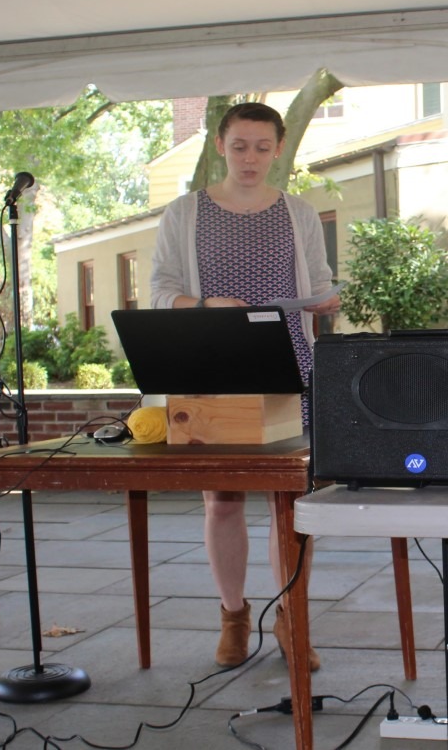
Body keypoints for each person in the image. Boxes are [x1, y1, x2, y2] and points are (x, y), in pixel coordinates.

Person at [150, 102, 338, 671]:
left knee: (294, 503)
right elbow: (160, 291)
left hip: (291, 367)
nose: (250, 158)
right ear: (219, 146)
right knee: (222, 501)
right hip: (214, 366)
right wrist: (206, 304)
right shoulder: (184, 213)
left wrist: (325, 301)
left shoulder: (299, 213)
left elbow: (321, 284)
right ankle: (233, 616)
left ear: (278, 149)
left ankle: (290, 618)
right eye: (239, 146)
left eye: (261, 147)